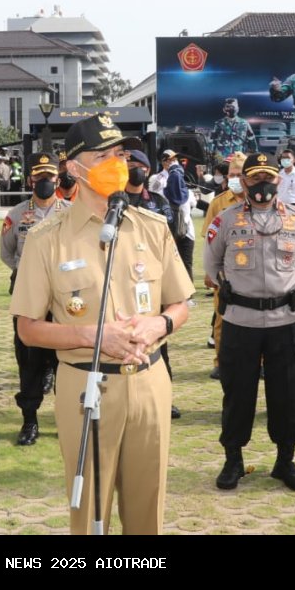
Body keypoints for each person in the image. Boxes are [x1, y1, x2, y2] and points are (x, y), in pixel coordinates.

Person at [10, 112, 194, 535]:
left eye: (120, 153)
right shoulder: (46, 239)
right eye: (104, 155)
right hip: (86, 387)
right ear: (74, 168)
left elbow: (181, 303)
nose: (118, 162)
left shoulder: (151, 226)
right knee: (91, 513)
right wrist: (95, 336)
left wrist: (159, 326)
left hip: (150, 382)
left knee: (149, 510)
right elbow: (28, 328)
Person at [204, 152, 295, 491]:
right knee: (237, 393)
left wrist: (283, 287)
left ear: (279, 181)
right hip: (241, 321)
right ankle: (233, 460)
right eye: (254, 178)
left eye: (268, 178)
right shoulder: (225, 220)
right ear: (244, 182)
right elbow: (211, 265)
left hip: (285, 320)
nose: (262, 185)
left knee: (287, 395)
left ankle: (285, 461)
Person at [0, 152, 70, 445]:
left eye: (49, 177)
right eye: (39, 177)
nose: (44, 181)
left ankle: (69, 420)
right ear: (31, 179)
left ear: (58, 179)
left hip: (64, 290)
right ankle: (30, 421)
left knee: (66, 357)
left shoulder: (71, 211)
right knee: (28, 357)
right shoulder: (16, 214)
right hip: (28, 290)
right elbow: (7, 252)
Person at [125, 149, 181, 419]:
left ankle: (164, 397)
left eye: (139, 165)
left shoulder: (158, 202)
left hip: (151, 282)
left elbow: (168, 240)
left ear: (147, 170)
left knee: (159, 343)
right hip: (122, 281)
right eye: (129, 164)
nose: (134, 169)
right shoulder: (112, 201)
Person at [202, 152, 247, 378]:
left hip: (252, 272)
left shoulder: (257, 201)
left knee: (255, 319)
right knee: (221, 319)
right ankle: (220, 362)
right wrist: (209, 273)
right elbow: (208, 241)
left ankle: (256, 363)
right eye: (232, 175)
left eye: (239, 175)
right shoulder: (217, 204)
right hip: (224, 271)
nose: (235, 179)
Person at [159, 150, 194, 281]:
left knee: (186, 262)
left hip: (186, 228)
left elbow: (191, 202)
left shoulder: (182, 178)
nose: (174, 162)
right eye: (171, 160)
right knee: (168, 263)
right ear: (164, 162)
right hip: (166, 228)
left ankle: (189, 296)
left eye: (175, 160)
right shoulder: (157, 179)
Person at [208, 98, 257, 164]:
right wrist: (211, 156)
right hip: (222, 159)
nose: (230, 109)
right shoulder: (219, 123)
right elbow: (212, 140)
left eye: (233, 107)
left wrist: (253, 157)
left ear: (238, 108)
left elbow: (252, 140)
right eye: (228, 107)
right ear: (224, 109)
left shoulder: (244, 123)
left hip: (239, 159)